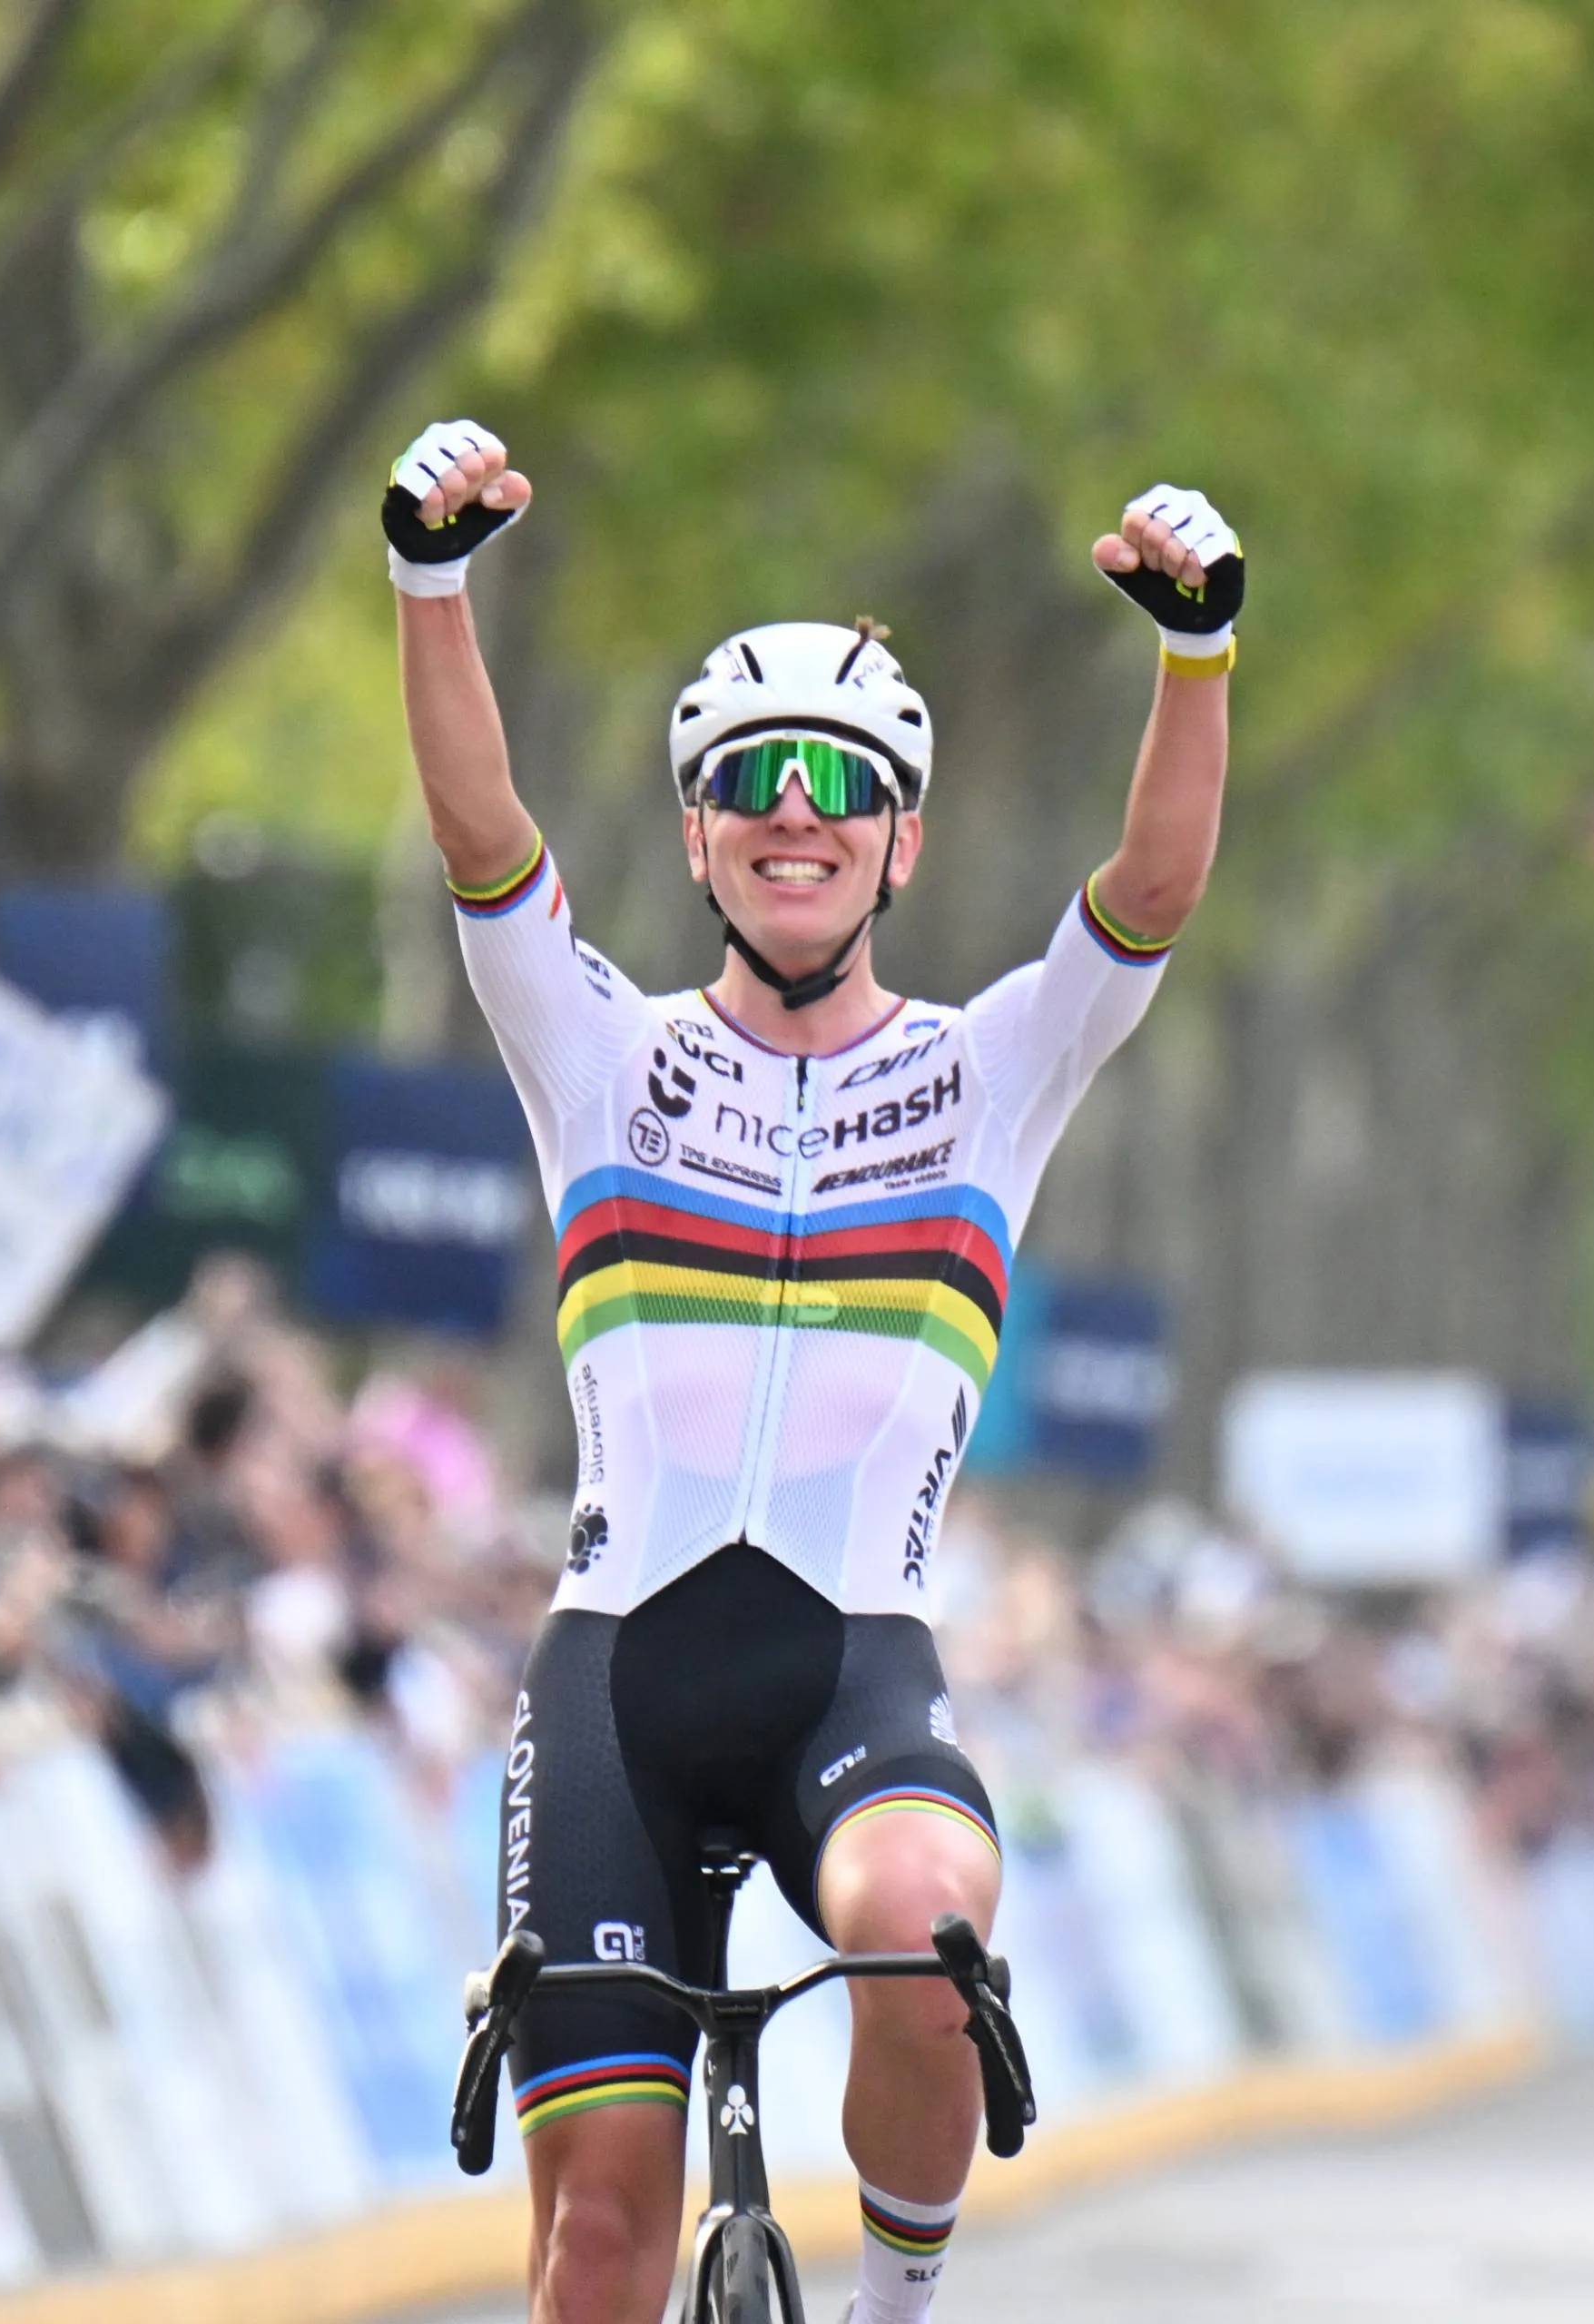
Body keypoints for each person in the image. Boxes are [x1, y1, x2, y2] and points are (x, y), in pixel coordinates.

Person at [388, 418, 1237, 2324]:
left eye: (838, 785)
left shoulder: (986, 1068)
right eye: (748, 781)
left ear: (899, 838)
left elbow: (1158, 886)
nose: (794, 809)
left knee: (927, 1937)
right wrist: (429, 584)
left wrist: (1199, 655)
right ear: (694, 831)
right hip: (620, 1675)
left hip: (851, 1659)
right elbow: (479, 835)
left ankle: (893, 2310)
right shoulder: (597, 1055)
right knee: (598, 2238)